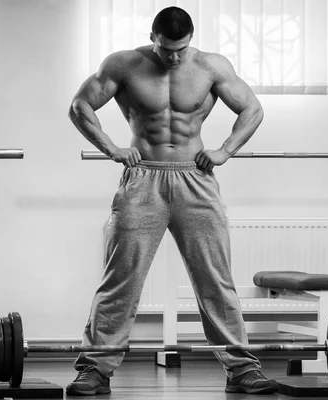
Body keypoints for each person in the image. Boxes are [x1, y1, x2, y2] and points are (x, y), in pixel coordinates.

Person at [66, 6, 278, 396]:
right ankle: (95, 369)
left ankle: (242, 369)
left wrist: (226, 150)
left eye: (181, 49)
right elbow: (80, 106)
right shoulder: (124, 64)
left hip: (195, 178)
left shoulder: (212, 67)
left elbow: (252, 108)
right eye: (167, 50)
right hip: (143, 177)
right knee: (121, 278)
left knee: (215, 277)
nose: (175, 58)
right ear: (153, 36)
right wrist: (111, 147)